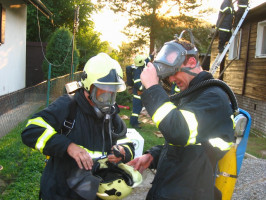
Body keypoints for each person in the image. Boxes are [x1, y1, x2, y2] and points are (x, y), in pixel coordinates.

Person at [127, 38, 235, 199]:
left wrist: (152, 87)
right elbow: (187, 147)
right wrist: (153, 156)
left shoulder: (213, 98)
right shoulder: (193, 95)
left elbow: (178, 132)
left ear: (191, 62)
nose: (171, 79)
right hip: (169, 189)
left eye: (174, 72)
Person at [21, 53, 135, 200]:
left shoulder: (111, 114)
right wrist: (68, 146)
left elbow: (125, 141)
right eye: (103, 92)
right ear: (89, 87)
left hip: (92, 191)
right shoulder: (68, 106)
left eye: (112, 93)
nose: (108, 99)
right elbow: (31, 131)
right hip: (61, 193)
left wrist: (123, 151)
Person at [130, 53, 155, 129]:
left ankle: (135, 121)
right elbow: (137, 84)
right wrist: (143, 87)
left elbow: (146, 60)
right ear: (141, 62)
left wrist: (151, 55)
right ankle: (133, 123)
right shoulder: (137, 71)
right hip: (137, 94)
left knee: (139, 108)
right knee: (136, 110)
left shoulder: (141, 66)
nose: (145, 61)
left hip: (140, 94)